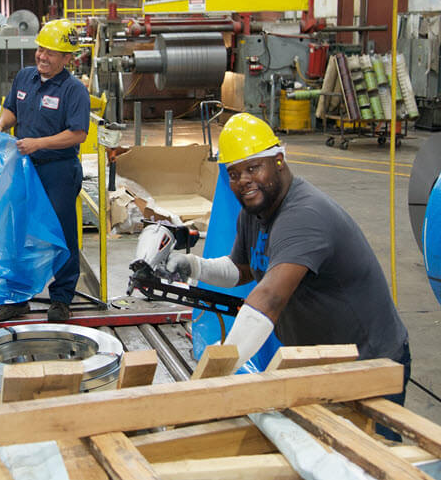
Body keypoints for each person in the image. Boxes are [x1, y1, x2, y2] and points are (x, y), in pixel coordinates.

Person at [165, 113, 410, 421]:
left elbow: (269, 298)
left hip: (368, 364)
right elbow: (242, 268)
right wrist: (193, 266)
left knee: (370, 462)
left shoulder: (303, 216)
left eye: (253, 167)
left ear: (278, 160)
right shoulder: (255, 210)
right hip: (317, 362)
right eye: (234, 173)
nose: (243, 181)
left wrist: (214, 376)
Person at [0, 19, 91, 322]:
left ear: (67, 58)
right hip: (23, 168)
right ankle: (18, 297)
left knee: (60, 234)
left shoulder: (74, 91)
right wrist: (1, 124)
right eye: (41, 49)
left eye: (52, 52)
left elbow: (78, 134)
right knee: (18, 230)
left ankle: (61, 299)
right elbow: (12, 109)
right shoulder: (24, 78)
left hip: (58, 170)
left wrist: (38, 143)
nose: (42, 56)